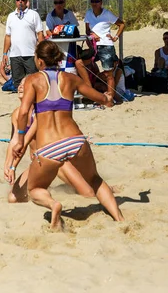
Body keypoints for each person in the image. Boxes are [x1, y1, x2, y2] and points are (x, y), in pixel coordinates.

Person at [13, 41, 125, 230]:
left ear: (40, 61)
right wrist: (108, 95)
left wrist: (21, 138)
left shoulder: (33, 79)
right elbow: (100, 98)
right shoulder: (70, 78)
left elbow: (24, 112)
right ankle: (119, 219)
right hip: (75, 140)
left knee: (35, 189)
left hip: (49, 146)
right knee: (95, 180)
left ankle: (53, 204)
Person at [5, 76, 101, 203]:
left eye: (25, 84)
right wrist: (7, 164)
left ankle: (107, 188)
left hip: (55, 158)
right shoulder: (17, 113)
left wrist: (13, 168)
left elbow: (24, 142)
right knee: (13, 198)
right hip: (38, 163)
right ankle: (46, 191)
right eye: (20, 84)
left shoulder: (41, 112)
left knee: (89, 193)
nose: (20, 86)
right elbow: (14, 141)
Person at [2, 0, 44, 90]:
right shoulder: (11, 16)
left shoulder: (33, 14)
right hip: (15, 55)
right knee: (18, 85)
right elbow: (8, 36)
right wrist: (4, 54)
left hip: (30, 54)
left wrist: (41, 52)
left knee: (34, 81)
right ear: (15, 1)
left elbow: (40, 33)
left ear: (26, 0)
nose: (20, 1)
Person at [84, 0, 125, 95]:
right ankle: (90, 90)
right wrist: (92, 34)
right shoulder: (88, 13)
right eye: (92, 1)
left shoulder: (107, 14)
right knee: (80, 63)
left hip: (106, 45)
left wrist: (115, 37)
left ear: (101, 3)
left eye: (96, 1)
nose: (94, 3)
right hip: (93, 45)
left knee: (109, 74)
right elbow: (87, 30)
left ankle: (110, 97)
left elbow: (122, 24)